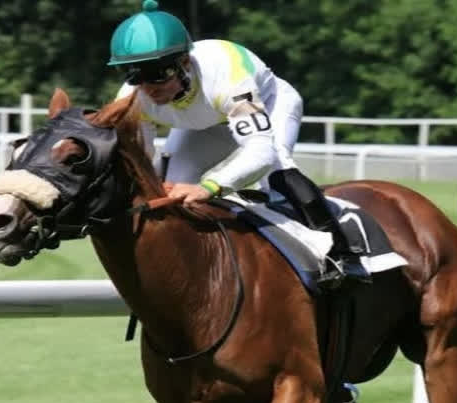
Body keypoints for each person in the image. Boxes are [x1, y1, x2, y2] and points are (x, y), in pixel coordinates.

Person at [108, 0, 368, 286]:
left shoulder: (227, 74)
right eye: (135, 75)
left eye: (158, 73)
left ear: (184, 63)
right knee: (171, 190)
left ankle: (341, 252)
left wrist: (209, 187)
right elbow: (141, 163)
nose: (148, 87)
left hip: (269, 105)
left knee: (277, 170)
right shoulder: (131, 97)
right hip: (205, 126)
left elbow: (260, 151)